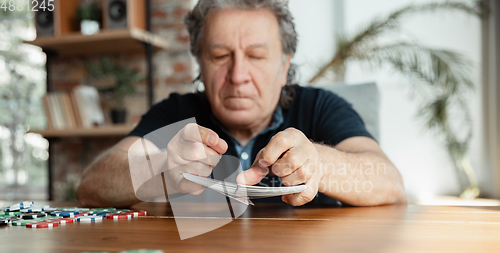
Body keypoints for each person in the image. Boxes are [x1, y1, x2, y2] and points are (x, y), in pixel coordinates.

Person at [77, 0, 407, 208]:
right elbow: (91, 186)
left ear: (284, 66)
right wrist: (160, 169)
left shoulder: (321, 107)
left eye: (256, 56)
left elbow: (390, 183)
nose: (237, 75)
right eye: (220, 56)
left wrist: (322, 163)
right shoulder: (176, 113)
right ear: (200, 65)